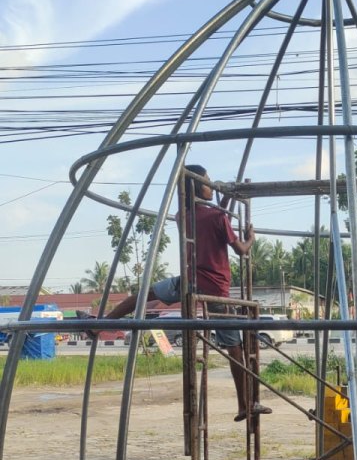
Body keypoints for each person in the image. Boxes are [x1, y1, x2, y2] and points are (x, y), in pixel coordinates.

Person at [81, 165, 271, 423]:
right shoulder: (218, 218)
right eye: (207, 182)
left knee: (144, 295)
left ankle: (100, 324)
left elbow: (210, 216)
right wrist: (251, 239)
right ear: (198, 187)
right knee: (234, 346)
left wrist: (225, 201)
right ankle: (244, 404)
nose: (211, 186)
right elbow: (241, 250)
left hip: (189, 280)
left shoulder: (183, 215)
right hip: (215, 288)